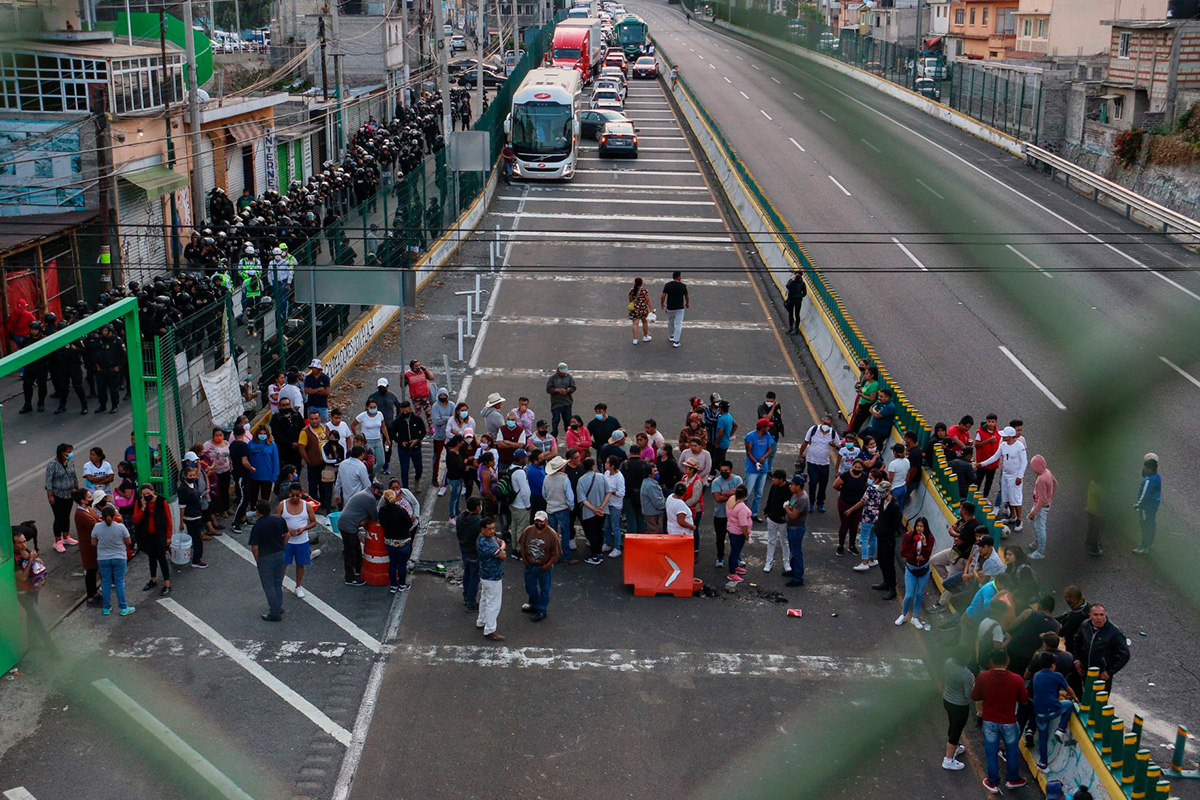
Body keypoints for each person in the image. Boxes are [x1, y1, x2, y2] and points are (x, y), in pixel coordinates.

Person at [973, 648, 1029, 793]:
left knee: (991, 752)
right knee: (1012, 751)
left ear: (991, 662)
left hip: (990, 721)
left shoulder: (983, 677)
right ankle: (1013, 779)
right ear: (1008, 661)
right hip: (1009, 721)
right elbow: (1023, 699)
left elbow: (975, 696)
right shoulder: (1016, 679)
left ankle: (993, 783)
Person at [12, 529, 55, 652]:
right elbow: (23, 577)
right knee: (38, 619)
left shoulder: (24, 551)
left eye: (24, 541)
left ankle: (33, 644)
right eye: (20, 543)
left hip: (33, 589)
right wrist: (31, 560)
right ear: (13, 544)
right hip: (24, 593)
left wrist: (33, 558)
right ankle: (51, 648)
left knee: (31, 617)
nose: (24, 545)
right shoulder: (14, 559)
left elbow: (40, 562)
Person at [979, 426, 1028, 531]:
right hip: (1005, 474)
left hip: (1015, 476)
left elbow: (1024, 462)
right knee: (1007, 497)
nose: (1003, 437)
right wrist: (982, 464)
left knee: (1016, 499)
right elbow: (995, 457)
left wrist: (1020, 476)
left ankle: (1019, 520)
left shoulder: (1019, 446)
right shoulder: (1003, 445)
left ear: (1010, 436)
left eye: (1005, 436)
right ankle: (1012, 516)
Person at [517, 510, 562, 621]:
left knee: (544, 589)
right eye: (537, 521)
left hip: (543, 567)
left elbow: (555, 554)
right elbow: (522, 544)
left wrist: (547, 565)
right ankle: (534, 605)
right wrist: (524, 559)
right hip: (530, 566)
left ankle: (542, 610)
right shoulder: (528, 530)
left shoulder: (552, 535)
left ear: (546, 521)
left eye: (541, 521)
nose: (539, 523)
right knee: (530, 588)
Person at [1073, 604, 1129, 692]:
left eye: (1101, 615)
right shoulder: (1085, 625)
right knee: (1087, 698)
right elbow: (1076, 641)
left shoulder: (1114, 632)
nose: (1099, 618)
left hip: (1102, 676)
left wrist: (1110, 672)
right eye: (1095, 615)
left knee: (1100, 701)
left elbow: (1125, 654)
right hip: (1085, 672)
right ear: (1090, 615)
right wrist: (1076, 660)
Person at [338, 481, 384, 586]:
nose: (379, 495)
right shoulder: (370, 498)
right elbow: (374, 516)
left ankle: (358, 569)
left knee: (356, 548)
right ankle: (349, 578)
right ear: (373, 489)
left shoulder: (365, 493)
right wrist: (366, 520)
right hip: (348, 526)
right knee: (350, 551)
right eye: (378, 492)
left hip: (347, 523)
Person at [249, 501, 288, 621]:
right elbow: (287, 535)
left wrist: (257, 559)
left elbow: (254, 546)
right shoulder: (278, 519)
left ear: (258, 512)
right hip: (280, 554)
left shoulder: (258, 526)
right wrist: (282, 547)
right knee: (277, 582)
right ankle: (278, 605)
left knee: (269, 585)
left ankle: (274, 612)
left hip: (266, 557)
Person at [92, 504, 134, 617]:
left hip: (103, 558)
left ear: (102, 516)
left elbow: (93, 543)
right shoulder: (121, 527)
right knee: (119, 582)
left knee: (105, 582)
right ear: (114, 515)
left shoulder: (97, 527)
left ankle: (106, 607)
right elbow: (128, 541)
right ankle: (123, 607)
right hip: (119, 557)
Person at [133, 484, 173, 596]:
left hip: (160, 534)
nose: (147, 496)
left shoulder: (162, 502)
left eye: (148, 493)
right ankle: (153, 579)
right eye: (144, 495)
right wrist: (143, 507)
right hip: (146, 535)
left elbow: (168, 519)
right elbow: (135, 520)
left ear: (153, 491)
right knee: (151, 558)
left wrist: (169, 536)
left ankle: (167, 583)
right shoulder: (139, 503)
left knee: (162, 558)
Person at [278, 482, 316, 598]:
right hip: (286, 541)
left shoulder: (307, 506)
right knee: (283, 564)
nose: (295, 498)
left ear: (301, 494)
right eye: (292, 495)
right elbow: (276, 521)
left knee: (300, 564)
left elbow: (313, 522)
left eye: (297, 495)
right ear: (289, 494)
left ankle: (298, 586)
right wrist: (287, 529)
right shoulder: (282, 505)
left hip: (302, 541)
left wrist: (304, 528)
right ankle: (279, 585)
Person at [897, 517, 933, 630]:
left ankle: (915, 616)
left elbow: (927, 555)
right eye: (918, 526)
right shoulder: (909, 536)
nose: (919, 528)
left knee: (919, 593)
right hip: (911, 569)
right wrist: (915, 556)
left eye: (922, 526)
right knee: (909, 594)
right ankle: (903, 614)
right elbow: (903, 552)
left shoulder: (930, 538)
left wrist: (925, 544)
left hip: (924, 570)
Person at [942, 647, 974, 771]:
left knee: (952, 724)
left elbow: (943, 676)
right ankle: (948, 759)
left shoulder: (949, 662)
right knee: (956, 730)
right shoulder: (966, 674)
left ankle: (954, 748)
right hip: (960, 705)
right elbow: (968, 695)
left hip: (947, 699)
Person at [44, 443, 79, 553]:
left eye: (70, 452)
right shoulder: (52, 464)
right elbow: (48, 481)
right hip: (57, 495)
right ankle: (57, 541)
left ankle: (66, 536)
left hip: (69, 494)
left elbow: (73, 475)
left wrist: (76, 488)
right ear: (61, 453)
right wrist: (50, 495)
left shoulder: (69, 462)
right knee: (59, 517)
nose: (69, 455)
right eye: (67, 453)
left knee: (66, 515)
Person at [476, 517, 507, 640]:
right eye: (489, 529)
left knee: (485, 599)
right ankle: (490, 630)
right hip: (492, 576)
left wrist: (500, 545)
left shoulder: (487, 539)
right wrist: (503, 545)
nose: (492, 531)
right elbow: (502, 555)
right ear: (482, 529)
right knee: (493, 604)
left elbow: (497, 541)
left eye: (493, 528)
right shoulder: (487, 543)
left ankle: (481, 620)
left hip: (485, 575)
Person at [379, 489, 415, 593]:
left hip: (389, 541)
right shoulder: (401, 511)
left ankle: (393, 585)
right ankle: (402, 584)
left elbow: (381, 524)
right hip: (403, 541)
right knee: (402, 565)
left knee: (393, 564)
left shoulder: (382, 511)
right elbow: (409, 524)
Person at [543, 456, 577, 563]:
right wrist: (571, 506)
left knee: (553, 534)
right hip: (562, 509)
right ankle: (566, 556)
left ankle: (554, 556)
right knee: (565, 533)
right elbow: (570, 497)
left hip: (550, 508)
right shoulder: (564, 479)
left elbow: (544, 494)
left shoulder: (546, 478)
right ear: (561, 468)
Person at [833, 458, 868, 557]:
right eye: (855, 467)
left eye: (859, 468)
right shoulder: (845, 476)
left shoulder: (864, 477)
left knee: (854, 525)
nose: (856, 469)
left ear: (862, 468)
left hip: (857, 505)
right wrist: (844, 490)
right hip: (844, 503)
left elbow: (866, 487)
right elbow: (835, 485)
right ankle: (840, 545)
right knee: (844, 525)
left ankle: (852, 545)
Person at [710, 461, 743, 569]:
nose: (724, 473)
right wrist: (731, 493)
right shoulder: (716, 482)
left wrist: (723, 493)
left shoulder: (738, 480)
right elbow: (717, 499)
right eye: (722, 471)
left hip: (734, 516)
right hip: (720, 515)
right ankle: (720, 557)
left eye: (726, 471)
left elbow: (741, 496)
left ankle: (737, 556)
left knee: (735, 539)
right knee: (720, 538)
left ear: (731, 470)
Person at [872, 482, 901, 600]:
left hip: (888, 538)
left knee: (888, 563)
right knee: (881, 559)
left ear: (888, 491)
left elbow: (896, 525)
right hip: (881, 536)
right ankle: (886, 582)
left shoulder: (894, 506)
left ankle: (892, 588)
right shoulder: (882, 502)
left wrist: (883, 530)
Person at [72, 489, 101, 607]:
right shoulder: (81, 514)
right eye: (89, 497)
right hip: (88, 546)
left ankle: (94, 593)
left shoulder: (88, 509)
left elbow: (97, 518)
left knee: (93, 570)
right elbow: (96, 525)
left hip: (93, 545)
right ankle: (90, 596)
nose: (91, 499)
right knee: (90, 571)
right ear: (82, 500)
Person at [177, 460, 208, 569]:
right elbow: (182, 507)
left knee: (195, 538)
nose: (192, 477)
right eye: (190, 475)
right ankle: (196, 560)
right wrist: (181, 522)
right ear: (185, 476)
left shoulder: (192, 484)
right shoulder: (183, 490)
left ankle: (194, 557)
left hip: (197, 515)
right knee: (198, 539)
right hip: (191, 518)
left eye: (193, 475)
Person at [391, 400, 428, 491]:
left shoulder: (417, 419)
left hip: (416, 448)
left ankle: (417, 480)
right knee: (404, 469)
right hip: (403, 449)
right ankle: (405, 488)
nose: (405, 413)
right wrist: (400, 442)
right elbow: (393, 434)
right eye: (403, 411)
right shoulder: (397, 422)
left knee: (419, 468)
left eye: (406, 411)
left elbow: (423, 432)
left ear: (410, 409)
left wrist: (417, 440)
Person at [743, 418, 776, 518]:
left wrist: (764, 457)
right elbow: (748, 452)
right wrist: (756, 463)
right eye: (767, 426)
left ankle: (754, 513)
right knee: (746, 493)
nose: (769, 428)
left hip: (763, 468)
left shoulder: (767, 436)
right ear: (762, 427)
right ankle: (743, 513)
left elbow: (770, 448)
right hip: (752, 469)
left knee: (759, 493)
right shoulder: (750, 437)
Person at [762, 469, 791, 573]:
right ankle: (768, 561)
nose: (773, 480)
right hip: (772, 518)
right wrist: (766, 511)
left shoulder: (789, 488)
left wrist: (785, 515)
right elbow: (770, 499)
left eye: (775, 478)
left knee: (785, 541)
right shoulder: (774, 486)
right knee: (771, 541)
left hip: (783, 521)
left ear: (781, 479)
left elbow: (792, 503)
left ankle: (786, 562)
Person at [1133, 453, 1162, 555]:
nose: (1144, 469)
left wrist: (1138, 504)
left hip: (1146, 507)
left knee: (1145, 525)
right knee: (1151, 523)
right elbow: (1145, 474)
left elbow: (1144, 495)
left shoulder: (1148, 481)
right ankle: (1149, 543)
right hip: (1154, 505)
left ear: (1149, 469)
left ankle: (1144, 547)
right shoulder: (1157, 476)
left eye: (1145, 467)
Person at [457, 497, 483, 610]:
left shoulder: (460, 518)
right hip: (474, 553)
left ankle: (466, 597)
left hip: (464, 551)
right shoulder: (478, 521)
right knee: (474, 578)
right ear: (477, 507)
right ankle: (471, 602)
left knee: (467, 574)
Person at [784, 474, 809, 587]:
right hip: (791, 528)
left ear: (798, 486)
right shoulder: (795, 495)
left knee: (797, 552)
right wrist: (789, 507)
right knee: (793, 550)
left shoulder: (802, 498)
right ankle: (794, 570)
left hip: (796, 529)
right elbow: (792, 506)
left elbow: (794, 515)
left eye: (792, 484)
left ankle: (798, 577)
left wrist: (786, 509)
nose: (790, 486)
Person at [248, 425, 281, 511]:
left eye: (264, 433)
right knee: (253, 495)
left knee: (265, 496)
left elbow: (275, 461)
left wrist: (275, 475)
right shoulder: (251, 444)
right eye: (260, 433)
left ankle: (264, 511)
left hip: (267, 475)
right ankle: (253, 508)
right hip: (253, 476)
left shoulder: (272, 445)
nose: (262, 435)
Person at [354, 398, 389, 473]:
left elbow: (383, 427)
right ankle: (370, 476)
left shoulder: (380, 414)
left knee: (381, 462)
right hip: (367, 442)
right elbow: (353, 425)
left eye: (374, 407)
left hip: (378, 440)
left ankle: (372, 474)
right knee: (370, 462)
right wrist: (357, 437)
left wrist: (387, 438)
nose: (373, 409)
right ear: (367, 407)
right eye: (371, 407)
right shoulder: (362, 416)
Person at [725, 485, 752, 582]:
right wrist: (746, 535)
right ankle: (732, 573)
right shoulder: (742, 508)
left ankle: (735, 567)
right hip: (738, 533)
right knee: (735, 552)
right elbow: (743, 524)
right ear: (746, 495)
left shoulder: (731, 499)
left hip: (731, 529)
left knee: (734, 550)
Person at [431, 388, 455, 493]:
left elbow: (454, 418)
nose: (443, 397)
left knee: (451, 457)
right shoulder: (435, 406)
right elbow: (436, 420)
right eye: (441, 395)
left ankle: (450, 477)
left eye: (445, 395)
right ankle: (434, 476)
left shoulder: (452, 405)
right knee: (437, 457)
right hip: (439, 436)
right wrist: (448, 418)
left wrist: (444, 418)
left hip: (450, 436)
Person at [602, 456, 626, 557]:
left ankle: (617, 547)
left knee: (615, 526)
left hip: (615, 505)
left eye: (607, 463)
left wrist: (611, 492)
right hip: (607, 504)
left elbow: (621, 493)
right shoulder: (606, 473)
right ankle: (607, 543)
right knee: (607, 525)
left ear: (612, 466)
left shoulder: (619, 477)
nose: (605, 464)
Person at [974, 414, 1002, 498]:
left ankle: (984, 497)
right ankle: (973, 497)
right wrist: (988, 440)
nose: (990, 424)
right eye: (989, 421)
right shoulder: (980, 432)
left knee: (989, 482)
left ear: (996, 422)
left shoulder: (998, 433)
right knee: (978, 481)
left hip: (992, 464)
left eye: (992, 422)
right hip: (982, 462)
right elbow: (976, 445)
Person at [545, 362, 576, 438]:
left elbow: (573, 387)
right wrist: (557, 390)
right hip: (556, 403)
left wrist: (568, 390)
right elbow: (548, 389)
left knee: (568, 422)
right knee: (555, 420)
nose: (563, 374)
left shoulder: (569, 378)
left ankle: (569, 435)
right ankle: (554, 435)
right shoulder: (552, 379)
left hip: (567, 403)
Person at [660, 270, 689, 347]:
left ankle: (671, 335)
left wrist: (662, 304)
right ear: (679, 277)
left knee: (670, 321)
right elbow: (686, 296)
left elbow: (663, 296)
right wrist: (687, 303)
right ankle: (676, 341)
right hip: (679, 307)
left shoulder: (668, 285)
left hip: (670, 307)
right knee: (678, 323)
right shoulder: (683, 286)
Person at [403, 360, 436, 427]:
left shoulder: (423, 371)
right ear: (411, 367)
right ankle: (418, 427)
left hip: (425, 397)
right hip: (416, 398)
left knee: (428, 413)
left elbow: (431, 378)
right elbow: (403, 385)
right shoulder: (407, 375)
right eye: (416, 366)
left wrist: (426, 370)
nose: (418, 367)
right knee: (417, 414)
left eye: (419, 365)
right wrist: (402, 377)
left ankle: (431, 427)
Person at [628, 277, 652, 345]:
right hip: (643, 308)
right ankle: (645, 336)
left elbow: (630, 300)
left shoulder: (632, 290)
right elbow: (647, 300)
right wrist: (651, 309)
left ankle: (635, 339)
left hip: (635, 308)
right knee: (644, 322)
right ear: (642, 283)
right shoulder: (644, 290)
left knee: (635, 323)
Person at [1085, 479, 1104, 557]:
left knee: (1091, 527)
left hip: (1090, 509)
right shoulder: (1099, 488)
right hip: (1098, 512)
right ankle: (1094, 548)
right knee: (1097, 530)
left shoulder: (1092, 483)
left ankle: (1088, 542)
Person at [784, 268, 806, 334]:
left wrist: (798, 296)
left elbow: (804, 293)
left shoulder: (802, 283)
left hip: (797, 301)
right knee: (790, 314)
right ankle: (790, 328)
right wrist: (793, 280)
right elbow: (787, 286)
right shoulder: (791, 281)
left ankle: (796, 329)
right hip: (791, 300)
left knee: (797, 314)